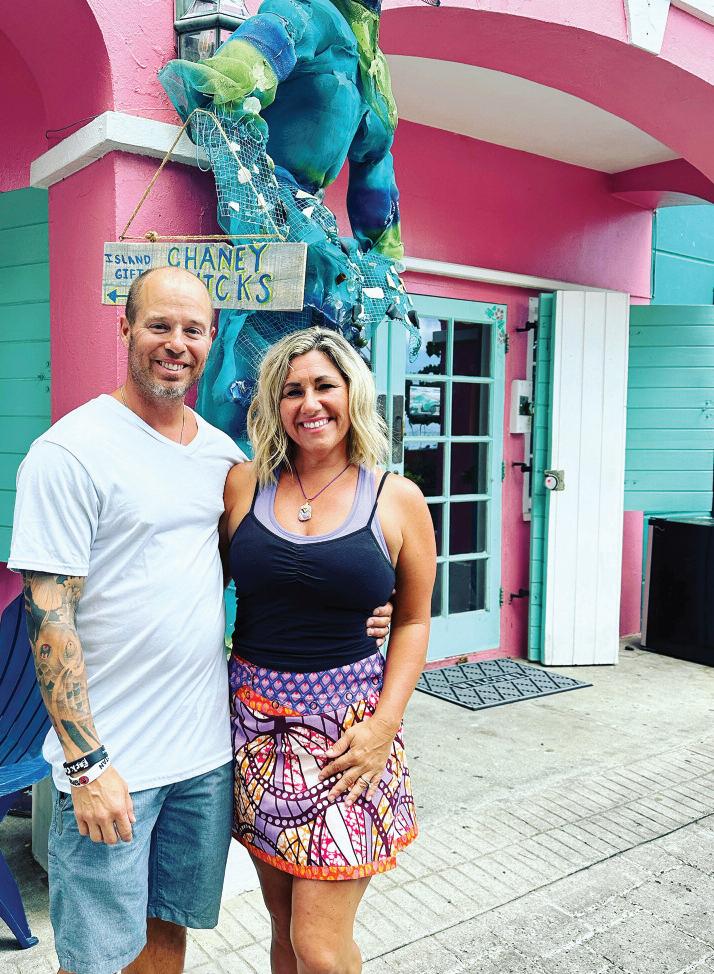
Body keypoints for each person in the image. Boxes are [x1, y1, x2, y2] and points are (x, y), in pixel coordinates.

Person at [7, 267, 391, 974]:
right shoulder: (70, 453)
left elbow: (265, 566)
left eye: (192, 329)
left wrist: (365, 602)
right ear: (125, 328)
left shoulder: (223, 459)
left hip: (205, 759)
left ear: (212, 339)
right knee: (97, 960)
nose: (175, 343)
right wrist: (87, 764)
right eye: (159, 325)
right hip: (113, 763)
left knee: (166, 943)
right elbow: (48, 616)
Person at [221, 328, 436, 974]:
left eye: (324, 386)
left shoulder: (397, 498)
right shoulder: (243, 485)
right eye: (292, 390)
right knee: (284, 929)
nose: (309, 403)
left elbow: (414, 619)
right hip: (253, 732)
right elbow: (198, 581)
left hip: (349, 740)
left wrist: (384, 726)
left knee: (318, 945)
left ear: (352, 394)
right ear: (274, 403)